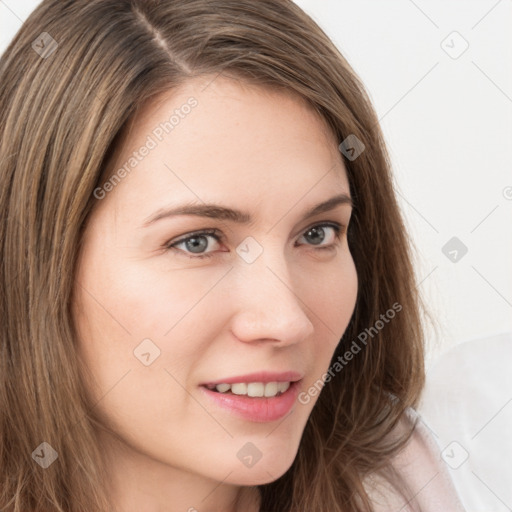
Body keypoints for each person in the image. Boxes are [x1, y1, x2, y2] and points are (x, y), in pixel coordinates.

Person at [0, 1, 465, 511]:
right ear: (36, 263)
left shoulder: (437, 481)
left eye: (316, 233)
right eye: (196, 241)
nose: (287, 321)